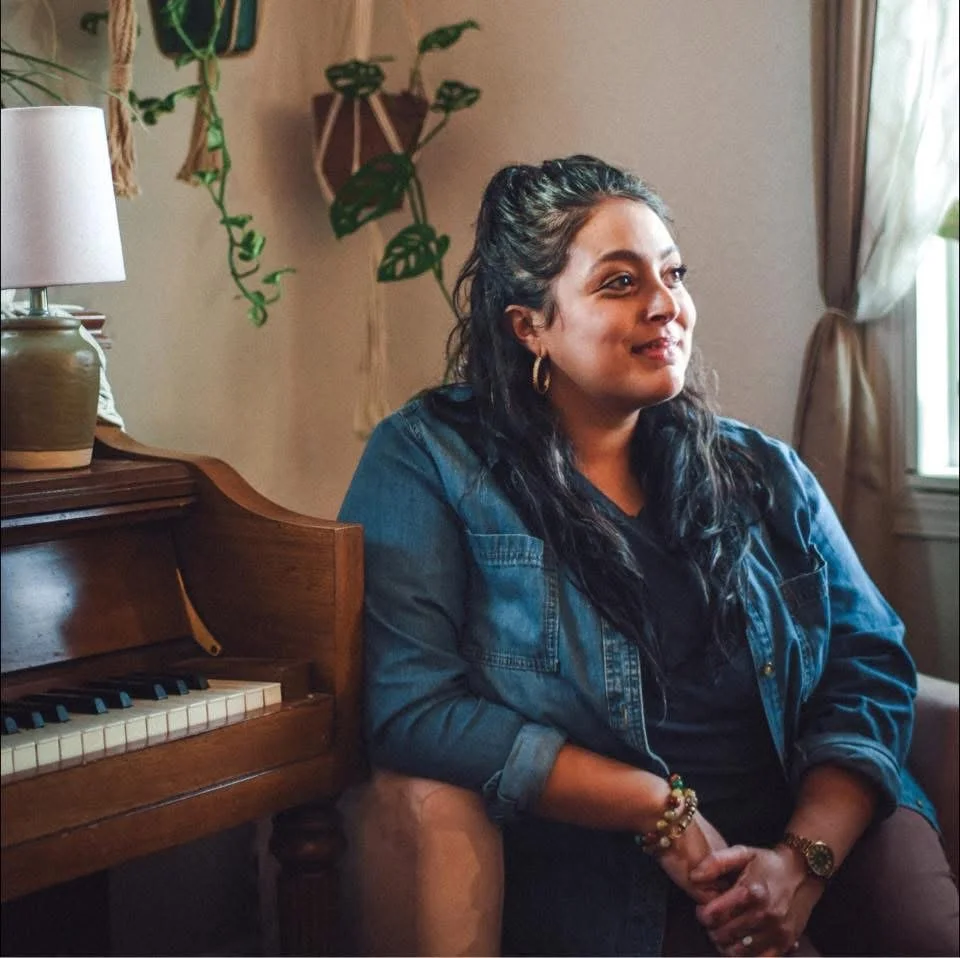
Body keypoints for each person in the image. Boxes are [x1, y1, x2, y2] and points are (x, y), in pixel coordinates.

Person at [338, 155, 959, 956]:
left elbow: (867, 661)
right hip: (614, 872)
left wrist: (802, 861)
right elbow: (411, 705)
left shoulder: (761, 469)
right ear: (529, 324)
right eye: (620, 283)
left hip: (826, 830)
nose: (667, 306)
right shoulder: (430, 460)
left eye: (672, 274)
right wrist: (652, 807)